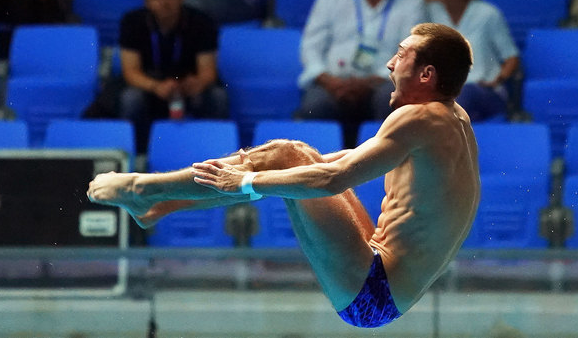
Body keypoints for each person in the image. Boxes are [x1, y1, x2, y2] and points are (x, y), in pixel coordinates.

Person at [87, 22, 481, 328]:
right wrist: (269, 165)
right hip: (380, 280)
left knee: (289, 156)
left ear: (427, 74)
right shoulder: (453, 118)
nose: (390, 64)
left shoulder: (419, 119)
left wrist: (248, 179)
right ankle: (162, 204)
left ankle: (143, 189)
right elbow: (350, 161)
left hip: (372, 291)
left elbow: (334, 179)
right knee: (291, 157)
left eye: (400, 54)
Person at [296, 0, 427, 147]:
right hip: (333, 84)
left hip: (383, 83)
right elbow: (310, 46)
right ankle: (323, 173)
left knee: (392, 98)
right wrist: (329, 81)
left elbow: (411, 55)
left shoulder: (412, 2)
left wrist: (367, 83)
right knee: (314, 104)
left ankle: (383, 170)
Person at [118, 0, 229, 153]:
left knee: (217, 97)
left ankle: (214, 153)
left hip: (188, 87)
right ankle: (138, 156)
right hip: (150, 87)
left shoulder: (201, 22)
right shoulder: (132, 22)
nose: (164, 1)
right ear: (147, 0)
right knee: (131, 99)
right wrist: (156, 87)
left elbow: (208, 71)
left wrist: (198, 83)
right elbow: (131, 72)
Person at [426, 0, 518, 121]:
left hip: (484, 91)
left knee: (461, 96)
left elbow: (511, 57)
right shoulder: (431, 13)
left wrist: (498, 79)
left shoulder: (487, 13)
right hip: (444, 93)